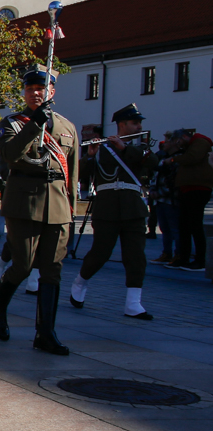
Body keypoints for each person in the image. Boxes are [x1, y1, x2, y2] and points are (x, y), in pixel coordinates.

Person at [0, 65, 80, 356]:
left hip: (58, 203)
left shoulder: (67, 127)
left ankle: (46, 333)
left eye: (41, 89)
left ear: (52, 91)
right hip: (24, 201)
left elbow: (72, 172)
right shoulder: (11, 123)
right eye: (30, 89)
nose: (36, 93)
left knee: (52, 270)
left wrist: (71, 209)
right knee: (23, 265)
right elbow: (10, 157)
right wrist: (33, 125)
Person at [71, 104, 155, 319]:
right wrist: (90, 156)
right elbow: (83, 175)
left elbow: (154, 164)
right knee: (101, 253)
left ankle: (133, 303)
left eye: (139, 122)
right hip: (107, 207)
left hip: (133, 208)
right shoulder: (102, 148)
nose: (139, 126)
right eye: (135, 122)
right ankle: (80, 282)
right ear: (122, 125)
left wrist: (125, 149)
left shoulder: (141, 148)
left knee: (135, 256)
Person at [168, 127, 212, 270]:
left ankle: (200, 260)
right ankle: (184, 258)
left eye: (178, 141)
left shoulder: (200, 142)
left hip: (198, 189)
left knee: (195, 225)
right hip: (188, 189)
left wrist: (174, 159)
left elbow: (193, 158)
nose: (178, 144)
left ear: (184, 137)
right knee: (184, 226)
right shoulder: (192, 145)